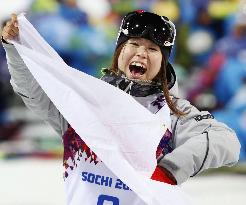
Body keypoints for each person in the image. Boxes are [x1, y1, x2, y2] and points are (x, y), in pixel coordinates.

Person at [1, 11, 241, 205]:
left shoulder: (171, 112)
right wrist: (15, 48)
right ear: (119, 52)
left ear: (163, 61)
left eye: (152, 49)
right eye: (134, 44)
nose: (141, 53)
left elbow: (226, 141)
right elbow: (36, 94)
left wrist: (170, 170)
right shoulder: (88, 103)